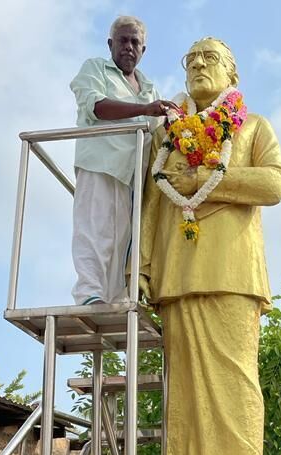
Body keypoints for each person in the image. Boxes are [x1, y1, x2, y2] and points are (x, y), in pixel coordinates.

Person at [139, 37, 281, 455]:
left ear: (232, 74)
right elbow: (150, 205)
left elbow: (274, 184)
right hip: (177, 272)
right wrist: (140, 267)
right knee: (182, 383)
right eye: (192, 60)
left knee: (236, 375)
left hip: (233, 271)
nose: (199, 65)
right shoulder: (167, 136)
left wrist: (207, 179)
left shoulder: (253, 127)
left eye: (211, 58)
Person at [70, 16, 177, 305]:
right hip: (100, 165)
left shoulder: (149, 88)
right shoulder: (96, 69)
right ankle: (89, 293)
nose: (129, 47)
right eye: (123, 40)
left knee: (124, 241)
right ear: (110, 44)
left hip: (133, 178)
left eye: (135, 42)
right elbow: (96, 106)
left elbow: (159, 132)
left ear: (144, 50)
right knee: (95, 230)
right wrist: (144, 109)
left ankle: (115, 300)